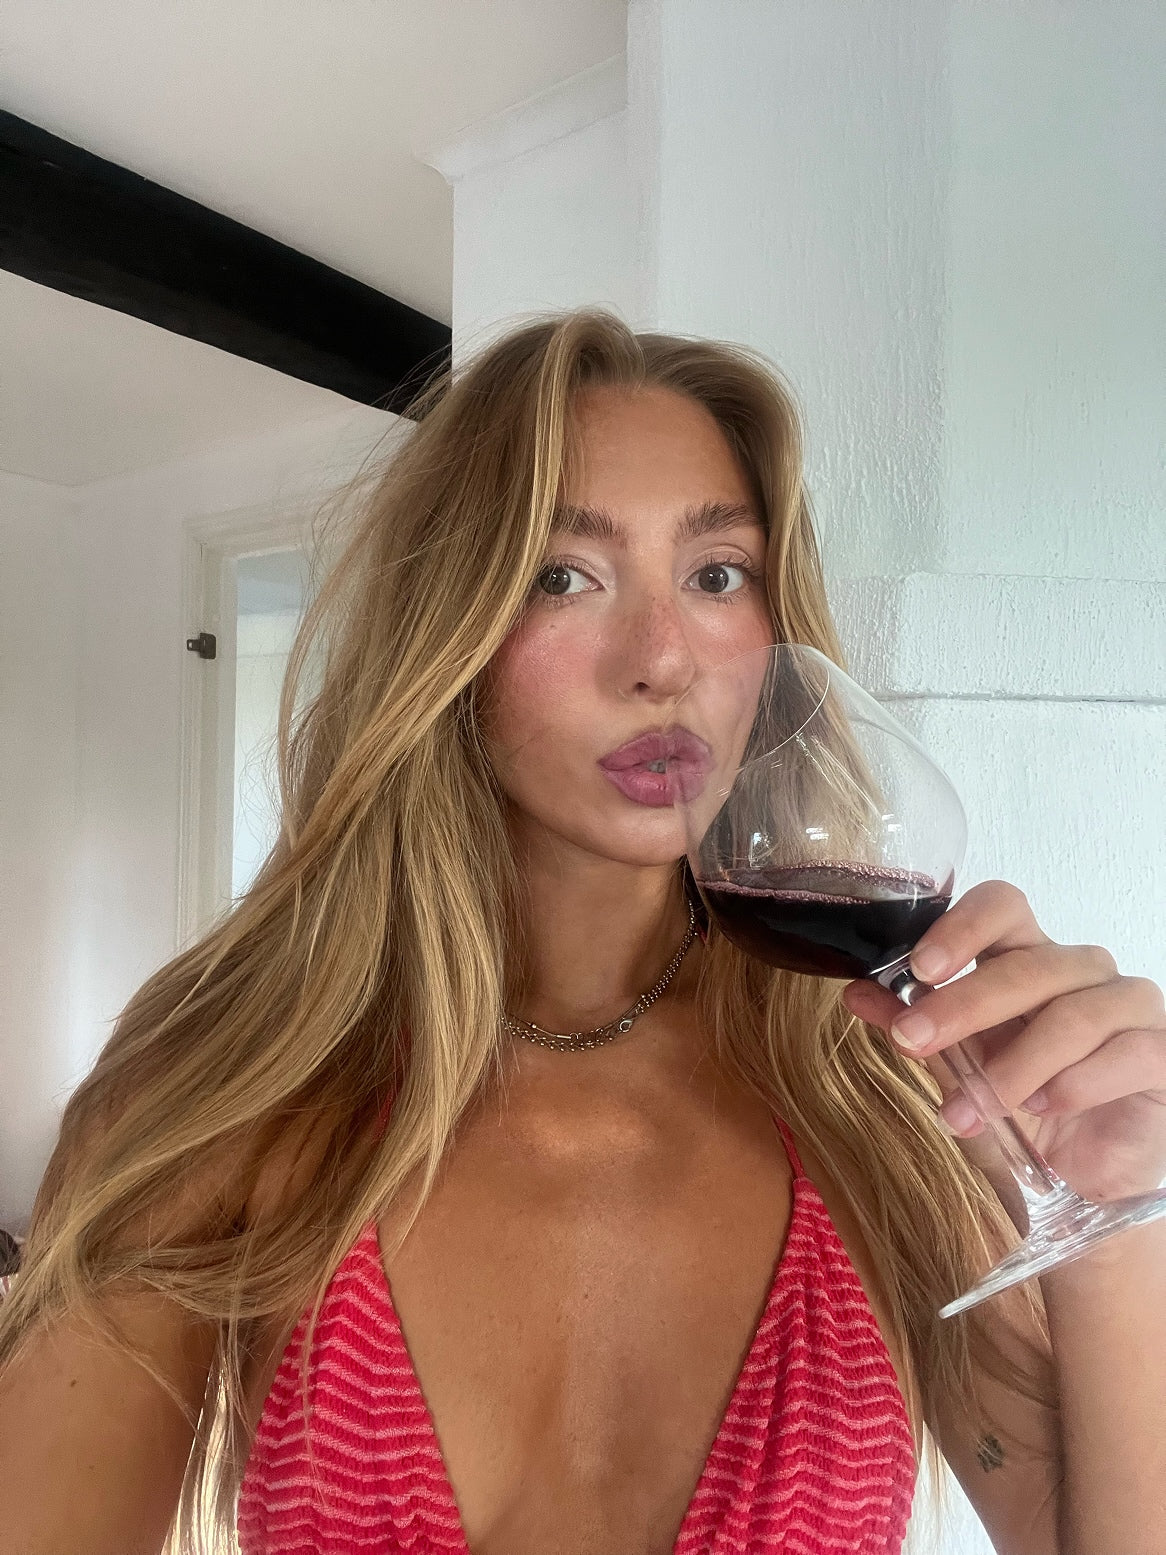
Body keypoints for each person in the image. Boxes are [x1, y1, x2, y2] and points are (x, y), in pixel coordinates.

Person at [1, 309, 1163, 1555]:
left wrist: (1114, 1221)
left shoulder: (883, 1095)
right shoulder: (229, 1084)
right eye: (563, 575)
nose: (662, 660)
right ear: (444, 627)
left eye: (715, 574)